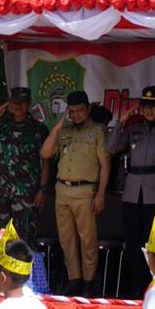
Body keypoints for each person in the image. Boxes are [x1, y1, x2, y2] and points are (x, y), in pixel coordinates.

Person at [105, 85, 155, 296]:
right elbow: (110, 147)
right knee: (132, 242)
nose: (148, 110)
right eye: (145, 106)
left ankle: (154, 286)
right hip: (132, 193)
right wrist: (122, 121)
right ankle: (135, 287)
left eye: (152, 106)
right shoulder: (133, 129)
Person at [41, 91, 110, 297]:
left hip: (85, 191)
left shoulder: (98, 131)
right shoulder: (63, 132)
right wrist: (58, 127)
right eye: (72, 112)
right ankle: (74, 279)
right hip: (62, 190)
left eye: (80, 110)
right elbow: (45, 153)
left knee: (87, 240)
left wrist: (101, 194)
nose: (77, 115)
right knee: (66, 239)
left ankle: (88, 281)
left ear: (88, 109)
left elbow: (105, 164)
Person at [0, 87, 51, 241]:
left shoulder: (39, 129)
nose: (18, 106)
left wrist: (42, 189)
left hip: (27, 194)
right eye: (15, 102)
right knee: (2, 237)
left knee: (25, 239)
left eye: (22, 102)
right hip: (3, 192)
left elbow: (45, 162)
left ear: (29, 104)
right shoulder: (1, 127)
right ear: (9, 104)